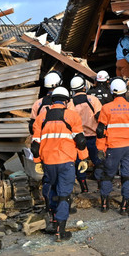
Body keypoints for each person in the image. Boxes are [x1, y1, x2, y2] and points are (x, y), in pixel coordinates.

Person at [31, 86, 89, 242]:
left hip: (48, 162)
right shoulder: (72, 116)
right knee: (64, 195)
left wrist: (37, 161)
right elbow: (81, 141)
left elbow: (35, 145)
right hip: (66, 161)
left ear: (52, 100)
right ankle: (60, 232)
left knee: (51, 190)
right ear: (66, 100)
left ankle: (53, 220)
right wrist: (83, 158)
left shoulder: (41, 118)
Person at [96, 77, 129, 215]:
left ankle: (104, 204)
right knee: (127, 176)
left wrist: (100, 148)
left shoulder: (106, 108)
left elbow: (100, 131)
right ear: (125, 91)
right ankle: (124, 206)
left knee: (107, 175)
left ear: (112, 92)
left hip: (112, 147)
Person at [68, 75, 103, 193]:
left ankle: (84, 188)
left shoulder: (70, 104)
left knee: (80, 163)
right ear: (84, 87)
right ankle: (100, 185)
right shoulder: (93, 100)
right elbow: (100, 118)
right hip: (93, 137)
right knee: (97, 161)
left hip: (78, 139)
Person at [29, 70, 63, 135]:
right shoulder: (67, 103)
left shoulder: (38, 103)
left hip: (43, 140)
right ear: (59, 83)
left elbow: (32, 126)